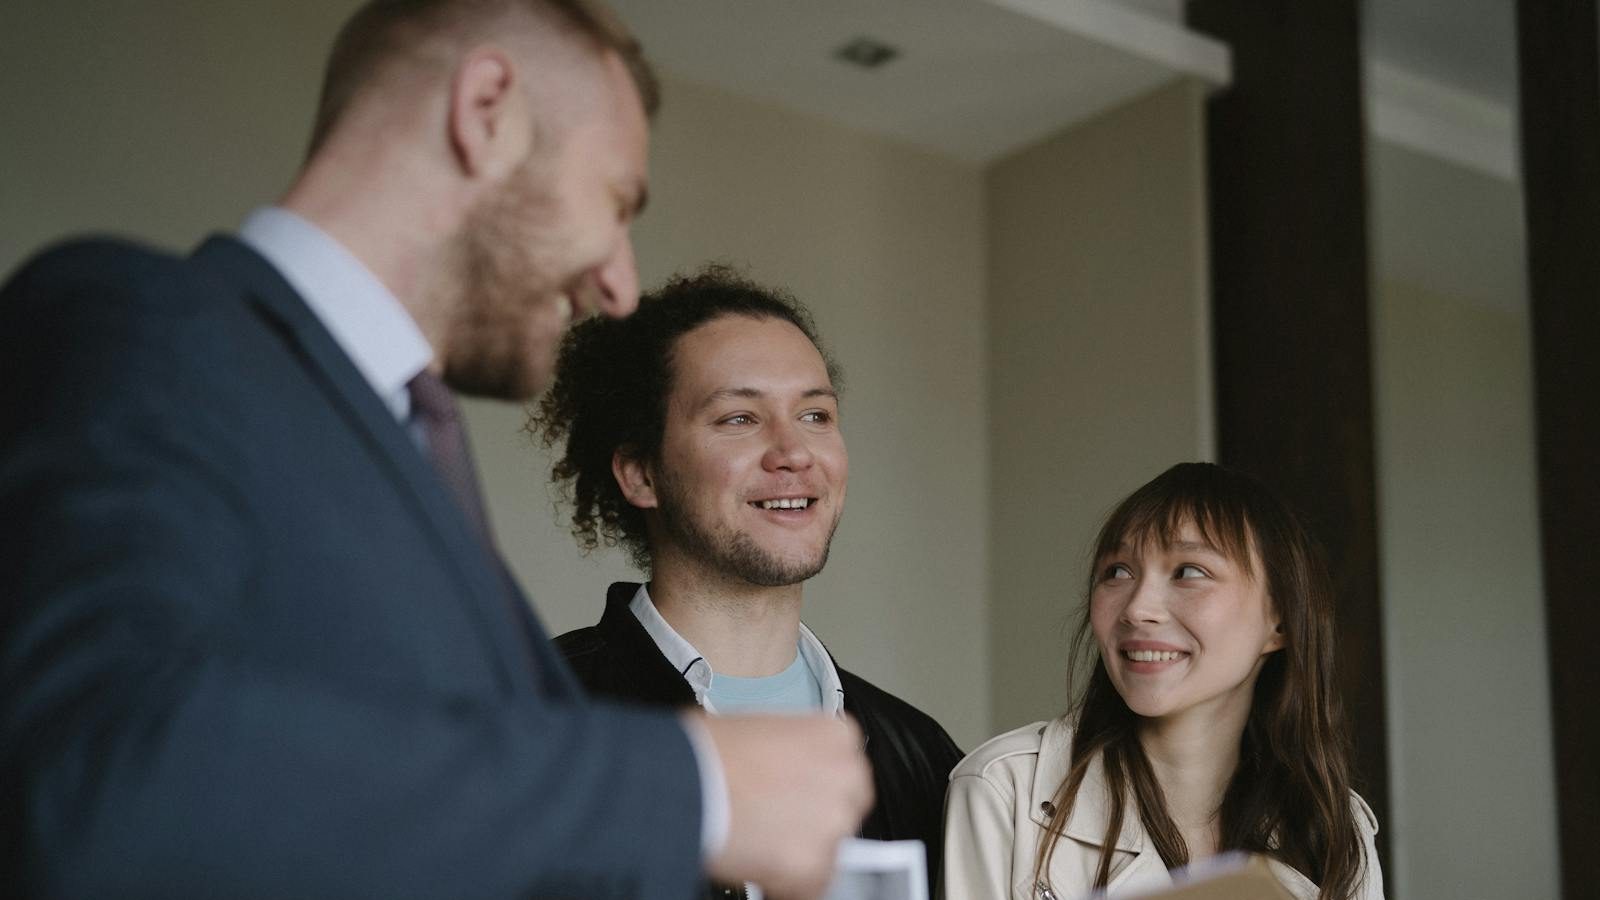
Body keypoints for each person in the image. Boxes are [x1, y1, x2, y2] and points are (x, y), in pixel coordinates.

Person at [0, 2, 871, 897]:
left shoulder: (413, 453)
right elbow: (84, 776)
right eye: (614, 203)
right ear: (486, 109)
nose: (618, 284)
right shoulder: (136, 321)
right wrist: (690, 789)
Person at [529, 265, 964, 894]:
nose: (793, 451)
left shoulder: (924, 755)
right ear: (641, 475)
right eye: (739, 418)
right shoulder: (534, 723)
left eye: (816, 415)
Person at [942, 462, 1383, 900]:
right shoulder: (1004, 788)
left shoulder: (1334, 826)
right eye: (1118, 571)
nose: (1138, 608)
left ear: (1280, 620)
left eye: (1189, 571)